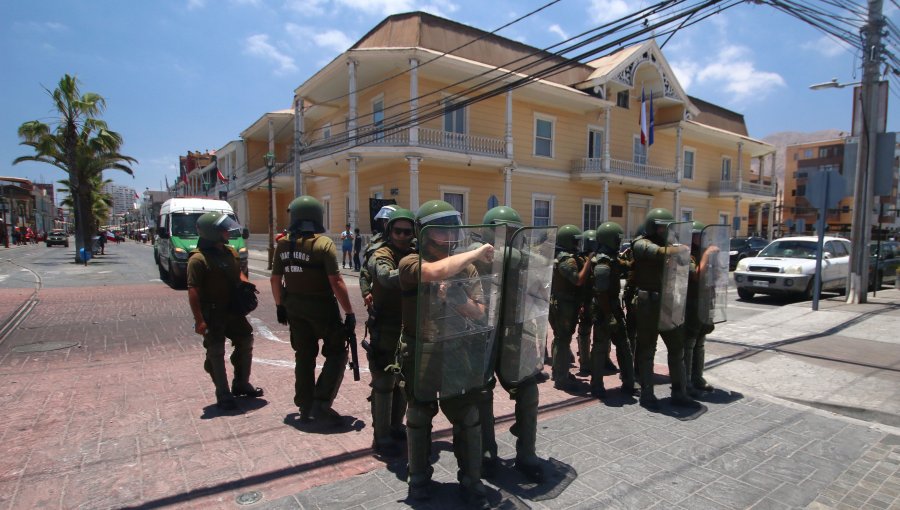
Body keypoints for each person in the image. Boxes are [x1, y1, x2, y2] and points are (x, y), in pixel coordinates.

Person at [397, 199, 495, 508]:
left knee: (467, 415)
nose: (451, 234)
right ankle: (419, 479)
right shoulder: (410, 261)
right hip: (421, 349)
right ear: (424, 233)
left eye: (453, 227)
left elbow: (479, 312)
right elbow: (432, 272)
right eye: (442, 228)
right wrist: (477, 251)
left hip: (456, 349)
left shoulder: (465, 267)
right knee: (418, 415)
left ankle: (471, 479)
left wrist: (457, 299)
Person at [476, 206, 551, 483]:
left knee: (528, 390)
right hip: (483, 333)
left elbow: (541, 265)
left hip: (515, 334)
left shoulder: (519, 256)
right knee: (482, 394)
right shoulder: (475, 249)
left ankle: (526, 454)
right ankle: (486, 453)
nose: (507, 237)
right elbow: (499, 257)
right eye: (503, 232)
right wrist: (520, 252)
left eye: (513, 233)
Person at [270, 196, 356, 423]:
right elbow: (336, 281)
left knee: (304, 356)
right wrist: (349, 312)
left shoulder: (283, 244)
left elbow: (275, 279)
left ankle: (304, 403)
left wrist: (279, 306)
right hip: (322, 309)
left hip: (294, 308)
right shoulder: (323, 244)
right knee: (337, 353)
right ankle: (321, 402)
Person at [187, 211, 264, 410]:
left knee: (246, 339)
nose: (228, 232)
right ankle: (223, 393)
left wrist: (246, 286)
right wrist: (199, 320)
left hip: (233, 310)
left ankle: (241, 382)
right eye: (223, 230)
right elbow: (193, 290)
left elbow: (238, 272)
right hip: (213, 313)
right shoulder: (198, 260)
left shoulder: (230, 252)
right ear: (212, 233)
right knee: (216, 350)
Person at [630, 208, 697, 408]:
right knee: (647, 350)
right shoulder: (640, 243)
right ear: (652, 226)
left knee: (677, 349)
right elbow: (657, 253)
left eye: (666, 227)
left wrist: (687, 258)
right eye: (661, 227)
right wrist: (679, 249)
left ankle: (679, 392)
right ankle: (647, 394)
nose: (664, 231)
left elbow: (690, 268)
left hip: (670, 301)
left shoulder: (672, 246)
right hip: (648, 303)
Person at [367, 208, 416, 457]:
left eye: (408, 231)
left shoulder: (415, 253)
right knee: (385, 383)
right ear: (390, 231)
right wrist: (419, 271)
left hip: (407, 324)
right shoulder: (382, 253)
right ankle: (381, 436)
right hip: (385, 326)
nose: (403, 236)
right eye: (398, 231)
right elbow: (385, 276)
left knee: (404, 382)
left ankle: (396, 426)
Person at [589, 221, 636, 398]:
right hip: (604, 311)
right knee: (600, 348)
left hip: (613, 309)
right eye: (617, 239)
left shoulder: (612, 259)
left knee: (624, 347)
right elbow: (601, 294)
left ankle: (629, 383)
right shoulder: (602, 263)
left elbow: (626, 266)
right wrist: (609, 316)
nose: (619, 242)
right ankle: (597, 386)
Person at [549, 224, 592, 390]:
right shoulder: (566, 259)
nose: (577, 245)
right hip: (564, 305)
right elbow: (578, 280)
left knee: (560, 338)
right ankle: (561, 377)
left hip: (563, 303)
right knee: (563, 339)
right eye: (575, 242)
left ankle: (560, 371)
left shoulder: (562, 256)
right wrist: (589, 259)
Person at [683, 221, 721, 395]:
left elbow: (717, 275)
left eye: (703, 235)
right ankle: (686, 380)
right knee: (689, 343)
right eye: (698, 235)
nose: (701, 238)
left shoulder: (703, 253)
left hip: (705, 300)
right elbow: (697, 275)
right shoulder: (686, 254)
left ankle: (697, 377)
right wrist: (706, 255)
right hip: (691, 302)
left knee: (700, 342)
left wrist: (715, 261)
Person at [359, 204, 399, 310]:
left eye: (388, 220)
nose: (386, 224)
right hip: (380, 293)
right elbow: (365, 270)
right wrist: (366, 291)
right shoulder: (376, 242)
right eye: (384, 221)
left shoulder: (408, 239)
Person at [575, 229, 596, 377]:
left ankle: (602, 359)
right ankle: (585, 362)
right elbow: (578, 281)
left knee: (602, 331)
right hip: (586, 298)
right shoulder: (580, 260)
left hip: (597, 298)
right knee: (584, 331)